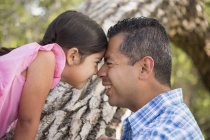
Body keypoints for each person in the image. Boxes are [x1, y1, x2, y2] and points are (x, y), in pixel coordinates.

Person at [0, 10, 107, 139]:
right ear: (73, 56)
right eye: (96, 62)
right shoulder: (46, 58)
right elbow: (27, 121)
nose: (96, 71)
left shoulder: (38, 58)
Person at [97, 17, 204, 140]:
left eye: (109, 63)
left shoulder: (162, 134)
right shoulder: (170, 120)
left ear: (144, 68)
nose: (100, 72)